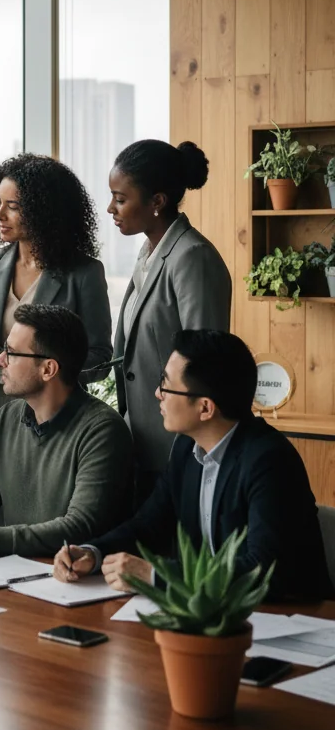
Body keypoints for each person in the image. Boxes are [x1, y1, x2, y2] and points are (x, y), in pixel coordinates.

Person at [53, 330, 334, 601]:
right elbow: (148, 525)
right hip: (211, 614)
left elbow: (262, 572)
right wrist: (93, 552)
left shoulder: (269, 460)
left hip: (291, 620)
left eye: (166, 385)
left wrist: (156, 575)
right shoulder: (187, 447)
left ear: (205, 408)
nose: (157, 394)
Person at [0, 304, 132, 557]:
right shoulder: (7, 417)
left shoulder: (102, 430)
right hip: (13, 573)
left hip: (74, 579)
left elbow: (79, 527)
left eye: (11, 353)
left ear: (48, 369)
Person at [0, 155, 113, 473]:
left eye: (14, 206)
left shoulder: (84, 273)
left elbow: (100, 357)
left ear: (43, 209)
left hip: (54, 422)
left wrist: (45, 372)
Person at [108, 139, 231, 503]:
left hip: (179, 445)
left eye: (120, 198)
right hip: (143, 440)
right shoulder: (148, 253)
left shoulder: (192, 257)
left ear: (157, 202)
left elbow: (205, 361)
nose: (111, 208)